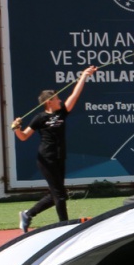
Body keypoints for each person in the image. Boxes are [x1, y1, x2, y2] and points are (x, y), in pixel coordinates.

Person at [12, 65, 97, 231]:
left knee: (57, 195)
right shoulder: (39, 118)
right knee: (60, 195)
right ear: (48, 102)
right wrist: (16, 128)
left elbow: (75, 95)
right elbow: (23, 137)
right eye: (57, 99)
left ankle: (28, 214)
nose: (60, 100)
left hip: (59, 157)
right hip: (46, 158)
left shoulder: (62, 113)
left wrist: (84, 76)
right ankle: (64, 227)